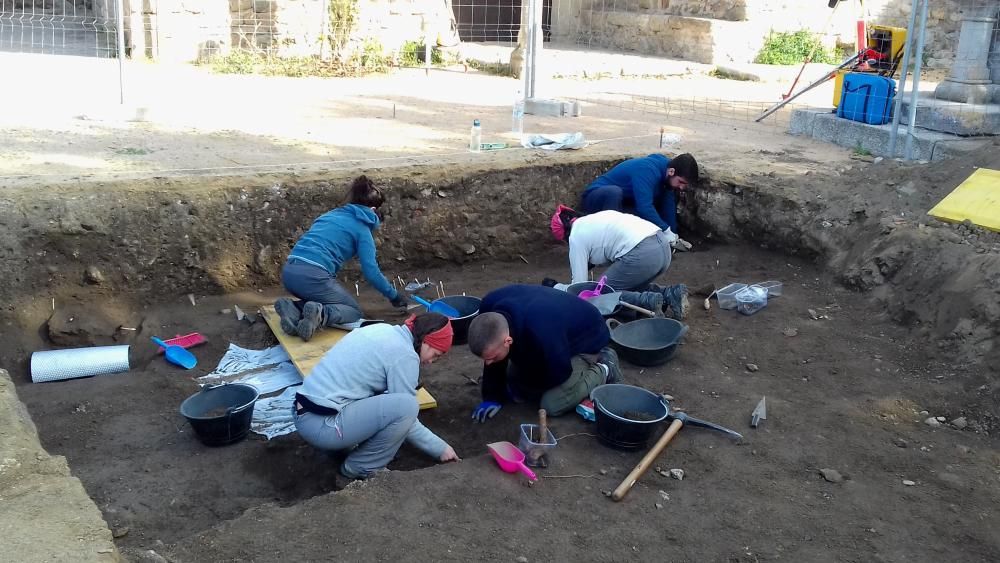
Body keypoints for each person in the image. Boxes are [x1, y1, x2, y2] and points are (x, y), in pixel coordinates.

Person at [293, 312, 461, 479]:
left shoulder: (383, 330)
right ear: (426, 340)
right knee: (407, 407)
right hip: (323, 427)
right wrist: (440, 449)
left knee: (386, 402)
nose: (431, 361)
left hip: (304, 413)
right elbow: (406, 416)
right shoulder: (405, 355)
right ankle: (360, 467)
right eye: (435, 355)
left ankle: (350, 448)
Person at [274, 175, 409, 341]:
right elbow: (371, 271)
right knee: (353, 311)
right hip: (313, 276)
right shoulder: (362, 230)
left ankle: (293, 307)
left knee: (321, 297)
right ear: (373, 210)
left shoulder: (330, 215)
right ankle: (321, 314)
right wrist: (394, 296)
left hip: (289, 272)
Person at [466, 285, 624, 422]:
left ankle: (604, 366)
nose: (487, 363)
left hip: (586, 338)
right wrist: (492, 395)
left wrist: (525, 389)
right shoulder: (488, 308)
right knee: (513, 379)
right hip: (555, 327)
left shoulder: (542, 332)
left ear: (508, 341)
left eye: (492, 357)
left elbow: (560, 372)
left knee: (551, 404)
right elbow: (492, 347)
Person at [550, 205, 689, 320]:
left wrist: (559, 289)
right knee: (626, 285)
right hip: (663, 247)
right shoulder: (597, 218)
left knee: (601, 295)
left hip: (643, 253)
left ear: (565, 235)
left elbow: (579, 286)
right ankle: (670, 294)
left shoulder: (575, 237)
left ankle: (649, 302)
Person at [579, 153, 699, 251]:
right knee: (614, 192)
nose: (682, 188)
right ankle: (608, 245)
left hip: (621, 204)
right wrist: (665, 230)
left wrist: (673, 236)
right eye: (681, 182)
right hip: (597, 201)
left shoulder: (667, 176)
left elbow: (668, 205)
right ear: (671, 172)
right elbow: (644, 207)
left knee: (644, 222)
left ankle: (624, 242)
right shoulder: (647, 170)